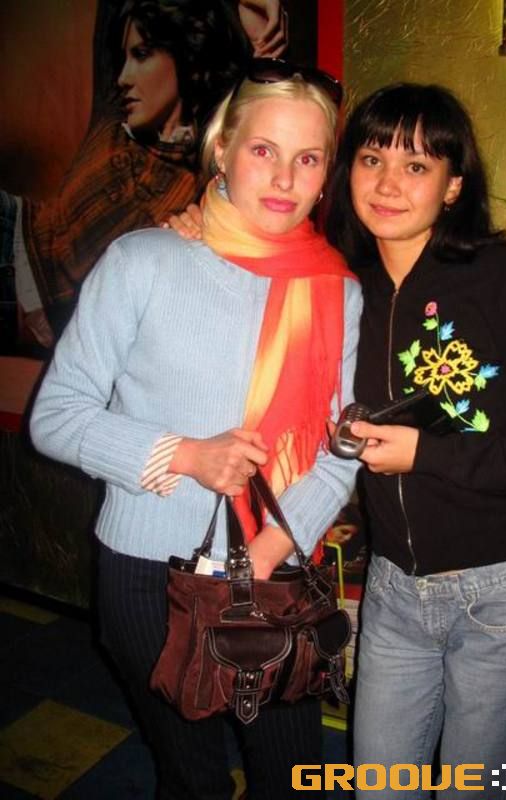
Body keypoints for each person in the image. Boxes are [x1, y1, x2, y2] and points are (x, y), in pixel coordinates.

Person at [29, 61, 362, 800]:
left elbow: (340, 451)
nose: (284, 178)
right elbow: (56, 415)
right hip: (147, 572)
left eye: (308, 158)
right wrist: (183, 455)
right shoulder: (143, 260)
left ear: (325, 174)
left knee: (293, 776)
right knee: (191, 777)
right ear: (222, 148)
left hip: (275, 569)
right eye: (263, 150)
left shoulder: (337, 288)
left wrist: (266, 557)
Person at [324, 83, 506, 798]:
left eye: (416, 165)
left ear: (453, 185)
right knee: (380, 788)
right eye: (373, 158)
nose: (388, 183)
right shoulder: (344, 286)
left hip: (500, 595)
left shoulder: (501, 276)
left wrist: (427, 455)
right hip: (392, 592)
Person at [1, 0, 286, 348]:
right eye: (124, 57)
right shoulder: (114, 111)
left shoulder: (214, 165)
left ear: (190, 59)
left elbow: (263, 126)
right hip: (14, 233)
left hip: (49, 309)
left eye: (141, 54)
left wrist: (262, 50)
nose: (123, 77)